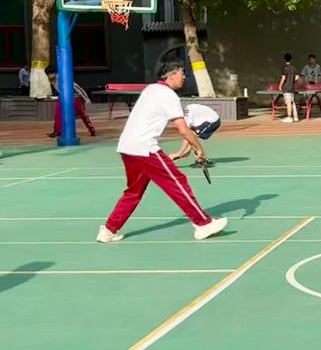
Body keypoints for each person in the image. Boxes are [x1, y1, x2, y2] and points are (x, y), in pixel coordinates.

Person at [96, 60, 227, 243]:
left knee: (133, 191)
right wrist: (199, 149)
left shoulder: (150, 89)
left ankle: (109, 230)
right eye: (181, 73)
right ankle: (203, 223)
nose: (184, 77)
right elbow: (183, 129)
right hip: (145, 148)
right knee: (177, 182)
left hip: (127, 147)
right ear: (171, 75)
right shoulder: (168, 95)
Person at [47, 71, 96, 138]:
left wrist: (86, 98)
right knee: (58, 113)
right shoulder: (52, 80)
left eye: (50, 74)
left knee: (82, 113)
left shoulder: (62, 78)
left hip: (75, 97)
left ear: (54, 73)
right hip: (63, 96)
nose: (49, 75)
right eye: (48, 74)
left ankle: (91, 129)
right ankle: (57, 131)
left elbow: (77, 87)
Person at [278, 53, 300, 123]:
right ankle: (295, 117)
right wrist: (292, 80)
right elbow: (297, 77)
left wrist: (280, 85)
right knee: (292, 102)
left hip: (286, 88)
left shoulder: (284, 68)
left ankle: (289, 117)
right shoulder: (294, 68)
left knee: (288, 103)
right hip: (292, 87)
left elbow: (283, 78)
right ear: (291, 60)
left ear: (284, 60)